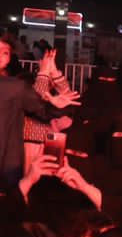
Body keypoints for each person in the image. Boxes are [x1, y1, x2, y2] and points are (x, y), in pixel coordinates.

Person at [0, 35, 80, 186]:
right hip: (28, 145)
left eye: (5, 52)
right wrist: (44, 73)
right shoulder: (21, 85)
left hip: (45, 146)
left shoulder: (24, 90)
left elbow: (66, 96)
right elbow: (37, 96)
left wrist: (53, 72)